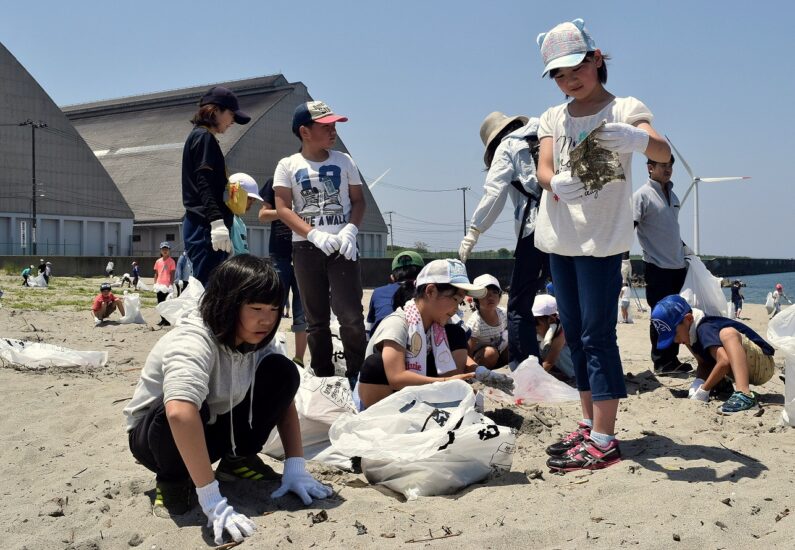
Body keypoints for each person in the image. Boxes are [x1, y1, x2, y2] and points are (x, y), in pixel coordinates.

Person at [534, 19, 672, 472]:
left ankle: (605, 437)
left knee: (598, 335)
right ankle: (589, 421)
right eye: (558, 74)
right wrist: (557, 184)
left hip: (601, 240)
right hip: (560, 236)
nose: (568, 80)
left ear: (596, 59)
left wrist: (637, 139)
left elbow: (662, 152)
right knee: (574, 333)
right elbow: (544, 169)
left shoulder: (626, 107)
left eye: (575, 68)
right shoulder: (553, 116)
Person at [124, 255, 331, 545]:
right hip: (156, 439)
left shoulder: (256, 339)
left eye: (273, 309)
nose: (267, 319)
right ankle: (173, 480)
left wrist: (295, 468)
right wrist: (212, 499)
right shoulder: (194, 340)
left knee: (282, 372)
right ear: (228, 303)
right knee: (188, 403)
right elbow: (178, 414)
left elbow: (284, 398)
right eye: (256, 308)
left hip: (212, 424)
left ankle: (236, 461)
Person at [273, 101, 366, 385]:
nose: (333, 131)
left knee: (350, 314)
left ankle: (358, 375)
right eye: (326, 126)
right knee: (316, 319)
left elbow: (359, 201)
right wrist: (312, 233)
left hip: (342, 247)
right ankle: (325, 378)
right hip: (306, 249)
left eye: (334, 125)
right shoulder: (288, 165)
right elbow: (283, 207)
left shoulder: (344, 161)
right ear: (305, 131)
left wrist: (350, 230)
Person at [357, 259, 515, 409]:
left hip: (420, 386)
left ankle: (445, 400)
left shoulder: (439, 325)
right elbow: (396, 377)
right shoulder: (398, 323)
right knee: (376, 364)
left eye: (460, 302)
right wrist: (446, 382)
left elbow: (457, 354)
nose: (457, 309)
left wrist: (480, 372)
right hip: (387, 394)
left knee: (456, 334)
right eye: (454, 299)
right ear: (431, 291)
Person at [459, 113, 547, 367]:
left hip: (535, 228)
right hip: (570, 225)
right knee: (571, 297)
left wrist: (474, 231)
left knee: (519, 305)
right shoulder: (546, 128)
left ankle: (526, 366)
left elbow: (494, 193)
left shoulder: (508, 145)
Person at [651, 294, 775, 414]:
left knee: (727, 333)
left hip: (763, 364)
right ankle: (723, 385)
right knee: (710, 359)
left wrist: (704, 389)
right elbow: (704, 364)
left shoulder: (704, 328)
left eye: (675, 335)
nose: (675, 341)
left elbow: (724, 362)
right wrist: (698, 382)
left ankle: (744, 394)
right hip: (749, 367)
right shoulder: (689, 335)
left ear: (688, 319)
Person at [182, 86, 251, 285]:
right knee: (207, 289)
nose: (232, 122)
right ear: (215, 110)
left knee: (210, 287)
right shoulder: (204, 138)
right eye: (231, 115)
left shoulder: (200, 137)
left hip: (204, 225)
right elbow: (203, 183)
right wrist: (216, 222)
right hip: (205, 226)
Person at [633, 154, 693, 374]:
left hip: (677, 265)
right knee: (660, 315)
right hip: (656, 266)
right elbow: (630, 224)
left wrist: (686, 252)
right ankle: (660, 361)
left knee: (676, 315)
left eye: (670, 166)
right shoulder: (642, 196)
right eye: (663, 166)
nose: (668, 169)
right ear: (650, 168)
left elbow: (671, 228)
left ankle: (672, 360)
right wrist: (622, 259)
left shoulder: (674, 195)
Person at [258, 178, 308, 366]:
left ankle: (300, 359)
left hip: (305, 253)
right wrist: (285, 213)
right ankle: (268, 354)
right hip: (280, 255)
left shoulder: (310, 183)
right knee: (273, 305)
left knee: (302, 310)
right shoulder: (275, 182)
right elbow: (262, 215)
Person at [366, 251, 425, 339]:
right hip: (419, 345)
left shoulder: (378, 292)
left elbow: (370, 326)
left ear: (392, 277)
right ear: (423, 275)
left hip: (380, 345)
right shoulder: (428, 293)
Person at [465, 274, 509, 369]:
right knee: (490, 353)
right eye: (484, 293)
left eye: (494, 292)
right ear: (476, 298)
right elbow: (468, 352)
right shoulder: (475, 322)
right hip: (483, 358)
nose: (490, 296)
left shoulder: (503, 313)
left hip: (500, 352)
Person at [532, 294, 575, 379]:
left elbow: (549, 362)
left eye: (535, 322)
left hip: (574, 368)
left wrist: (532, 379)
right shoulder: (542, 331)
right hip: (556, 367)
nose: (533, 326)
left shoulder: (563, 330)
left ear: (551, 319)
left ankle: (574, 377)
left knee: (559, 351)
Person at [227, 172, 264, 257]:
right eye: (249, 198)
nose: (252, 202)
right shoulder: (224, 219)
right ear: (234, 192)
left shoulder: (240, 222)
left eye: (254, 199)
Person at [154, 242, 176, 326]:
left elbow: (173, 273)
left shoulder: (172, 261)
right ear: (160, 251)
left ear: (169, 250)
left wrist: (171, 284)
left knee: (167, 303)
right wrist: (155, 283)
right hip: (159, 285)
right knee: (160, 303)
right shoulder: (158, 261)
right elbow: (156, 273)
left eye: (166, 249)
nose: (165, 251)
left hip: (167, 286)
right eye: (163, 249)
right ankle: (162, 320)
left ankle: (167, 320)